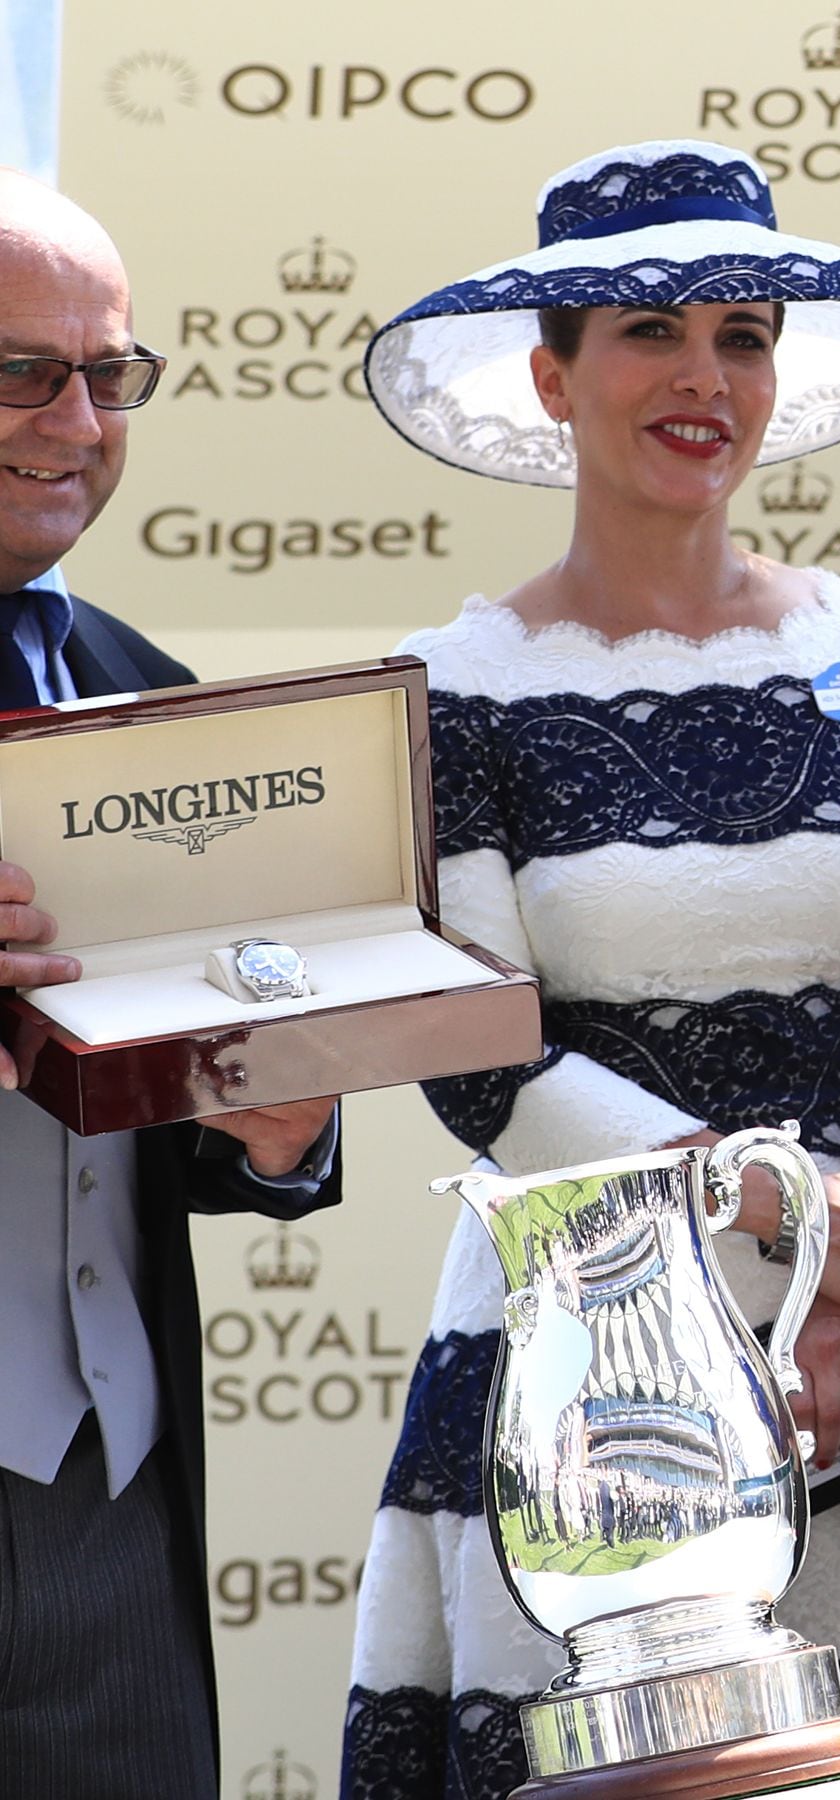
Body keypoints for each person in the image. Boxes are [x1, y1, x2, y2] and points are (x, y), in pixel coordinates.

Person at [342, 141, 840, 1798]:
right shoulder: (447, 684)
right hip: (591, 1367)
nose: (703, 377)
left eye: (743, 334)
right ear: (553, 376)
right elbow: (477, 1055)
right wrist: (793, 1219)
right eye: (649, 335)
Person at [0, 168, 341, 1797]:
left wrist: (271, 1125)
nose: (76, 418)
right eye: (21, 371)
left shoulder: (158, 702)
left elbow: (164, 1115)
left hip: (116, 1511)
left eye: (110, 375)